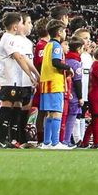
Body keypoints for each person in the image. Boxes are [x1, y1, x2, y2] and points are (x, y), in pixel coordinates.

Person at [0, 11, 38, 148]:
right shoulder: (8, 38)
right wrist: (31, 76)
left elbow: (24, 58)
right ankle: (1, 140)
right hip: (8, 79)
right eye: (21, 22)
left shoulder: (13, 39)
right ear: (15, 26)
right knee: (7, 107)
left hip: (16, 81)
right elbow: (19, 57)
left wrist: (35, 74)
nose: (22, 25)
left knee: (16, 108)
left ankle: (12, 140)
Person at [37, 20, 70, 149]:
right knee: (56, 113)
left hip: (46, 83)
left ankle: (47, 142)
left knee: (50, 114)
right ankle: (55, 142)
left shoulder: (48, 46)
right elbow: (56, 62)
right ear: (59, 32)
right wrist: (68, 68)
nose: (65, 33)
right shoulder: (56, 46)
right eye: (64, 31)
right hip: (54, 84)